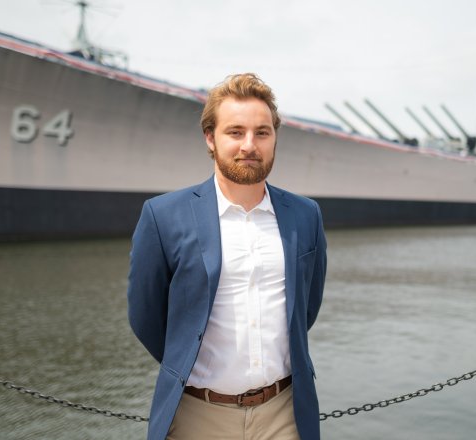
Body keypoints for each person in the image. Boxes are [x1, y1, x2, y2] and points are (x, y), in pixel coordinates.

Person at [127, 73, 327, 440]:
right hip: (197, 415)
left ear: (275, 139)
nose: (249, 145)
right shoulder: (163, 216)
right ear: (210, 138)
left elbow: (306, 308)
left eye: (262, 133)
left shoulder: (306, 215)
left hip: (285, 413)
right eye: (235, 132)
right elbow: (144, 316)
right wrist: (187, 355)